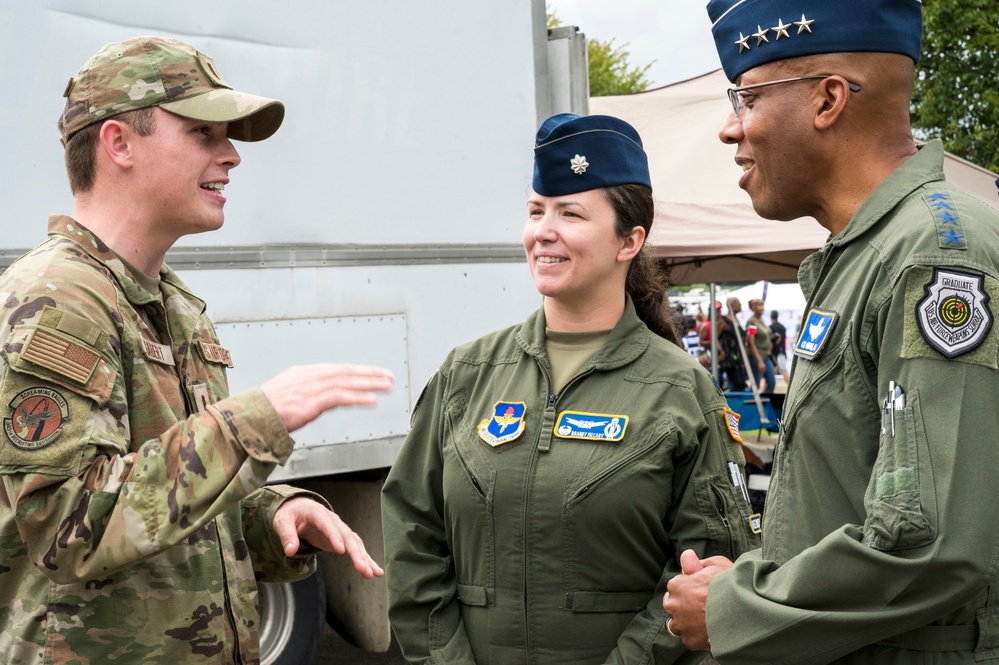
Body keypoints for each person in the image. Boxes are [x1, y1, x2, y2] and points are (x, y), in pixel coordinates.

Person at [0, 37, 395, 664]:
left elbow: (168, 499)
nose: (231, 155)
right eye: (204, 134)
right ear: (118, 143)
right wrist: (254, 421)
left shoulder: (171, 302)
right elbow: (67, 529)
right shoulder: (57, 301)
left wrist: (273, 517)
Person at [663, 1, 999, 662]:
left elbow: (930, 540)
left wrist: (734, 604)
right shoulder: (863, 255)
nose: (731, 131)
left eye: (746, 97)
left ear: (826, 101)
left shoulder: (930, 251)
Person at [382, 113, 759, 665]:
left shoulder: (680, 391)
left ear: (629, 240)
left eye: (570, 213)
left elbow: (706, 570)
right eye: (536, 211)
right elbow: (413, 533)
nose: (544, 231)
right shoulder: (468, 374)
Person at [745, 298, 775, 393]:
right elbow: (751, 342)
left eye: (762, 305)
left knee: (771, 382)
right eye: (759, 305)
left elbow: (766, 335)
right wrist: (759, 361)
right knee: (756, 385)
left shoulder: (762, 320)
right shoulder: (752, 322)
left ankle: (765, 403)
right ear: (753, 307)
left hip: (766, 356)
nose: (762, 308)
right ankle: (749, 405)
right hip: (756, 357)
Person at [769, 309, 789, 381]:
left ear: (771, 317)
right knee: (783, 371)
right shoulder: (782, 327)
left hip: (774, 353)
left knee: (774, 372)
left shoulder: (770, 327)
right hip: (782, 351)